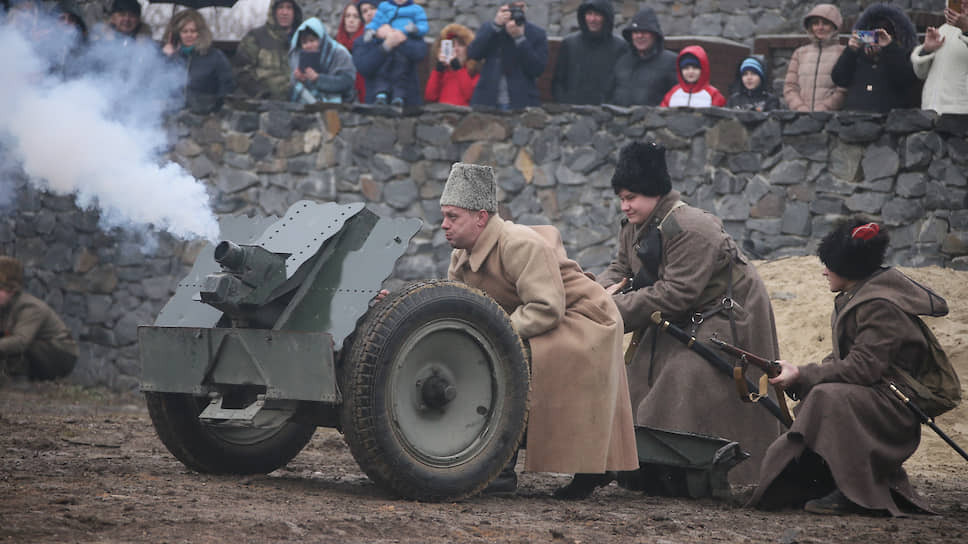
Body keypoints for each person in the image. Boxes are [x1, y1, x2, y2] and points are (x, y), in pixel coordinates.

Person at [440, 163, 639, 499]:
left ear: (481, 217)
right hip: (534, 319)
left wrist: (495, 335)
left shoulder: (519, 244)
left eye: (453, 216)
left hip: (583, 320)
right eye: (444, 216)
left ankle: (499, 469)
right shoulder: (461, 255)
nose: (444, 225)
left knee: (508, 363)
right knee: (484, 356)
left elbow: (546, 308)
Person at [597, 141, 783, 486]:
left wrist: (606, 310)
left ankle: (697, 473)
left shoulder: (691, 228)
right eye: (621, 198)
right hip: (682, 313)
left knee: (683, 378)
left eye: (631, 197)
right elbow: (621, 269)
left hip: (727, 316)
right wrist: (592, 294)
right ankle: (644, 468)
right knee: (636, 379)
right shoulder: (634, 225)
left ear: (655, 192)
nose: (625, 206)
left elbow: (676, 293)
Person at [749, 218, 952, 516]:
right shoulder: (859, 296)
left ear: (849, 268)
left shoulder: (880, 304)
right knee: (819, 393)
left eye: (829, 264)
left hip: (894, 409)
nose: (823, 270)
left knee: (826, 397)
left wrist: (804, 376)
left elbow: (863, 368)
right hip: (876, 398)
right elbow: (846, 360)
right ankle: (817, 482)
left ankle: (853, 492)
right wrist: (799, 376)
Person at [0, 256, 79, 384]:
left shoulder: (30, 306)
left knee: (16, 344)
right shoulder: (4, 308)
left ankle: (20, 381)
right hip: (42, 351)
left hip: (61, 355)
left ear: (11, 290)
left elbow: (21, 342)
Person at [831, 3, 920, 113]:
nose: (878, 38)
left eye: (885, 33)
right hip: (855, 119)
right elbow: (839, 79)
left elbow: (904, 80)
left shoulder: (904, 55)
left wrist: (889, 48)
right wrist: (850, 51)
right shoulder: (858, 55)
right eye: (873, 33)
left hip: (889, 120)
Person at [467, 2, 548, 110]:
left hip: (522, 101)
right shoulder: (490, 28)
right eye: (513, 8)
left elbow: (537, 69)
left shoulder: (537, 33)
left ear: (526, 8)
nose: (517, 11)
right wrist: (495, 26)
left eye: (521, 7)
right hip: (488, 100)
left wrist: (520, 39)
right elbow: (473, 54)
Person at [551, 0, 625, 105]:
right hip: (572, 111)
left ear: (606, 18)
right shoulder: (569, 44)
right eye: (589, 14)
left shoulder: (620, 47)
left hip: (606, 112)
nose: (592, 19)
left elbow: (622, 84)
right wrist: (567, 105)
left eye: (597, 15)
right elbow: (558, 82)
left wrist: (609, 108)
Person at [162, 9, 235, 114]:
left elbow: (227, 88)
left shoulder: (215, 57)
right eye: (184, 31)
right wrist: (166, 58)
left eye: (193, 31)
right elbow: (157, 86)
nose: (189, 35)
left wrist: (215, 112)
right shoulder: (170, 56)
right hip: (173, 116)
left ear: (200, 33)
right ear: (178, 34)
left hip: (204, 117)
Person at [604, 7, 678, 107]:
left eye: (644, 32)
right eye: (635, 32)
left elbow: (677, 99)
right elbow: (608, 97)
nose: (639, 36)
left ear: (655, 35)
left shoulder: (671, 62)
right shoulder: (622, 61)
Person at [360, 0, 427, 105]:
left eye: (373, 8)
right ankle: (381, 94)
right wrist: (383, 42)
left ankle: (399, 97)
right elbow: (364, 67)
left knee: (401, 71)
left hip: (408, 104)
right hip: (375, 105)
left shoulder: (415, 12)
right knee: (382, 70)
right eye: (364, 11)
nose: (369, 13)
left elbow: (420, 53)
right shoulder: (363, 40)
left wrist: (401, 39)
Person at [233, 0, 303, 100]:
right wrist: (261, 94)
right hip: (263, 104)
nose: (284, 12)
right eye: (280, 8)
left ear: (295, 12)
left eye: (289, 8)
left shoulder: (304, 39)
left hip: (299, 103)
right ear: (273, 11)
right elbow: (241, 71)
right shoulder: (256, 37)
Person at [782, 4, 846, 112]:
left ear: (835, 26)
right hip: (801, 118)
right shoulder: (800, 53)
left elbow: (844, 89)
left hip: (832, 119)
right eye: (816, 23)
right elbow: (790, 87)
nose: (820, 27)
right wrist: (800, 108)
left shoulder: (843, 52)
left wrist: (824, 108)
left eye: (825, 23)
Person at [910, 6, 968, 114]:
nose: (963, 2)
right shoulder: (943, 29)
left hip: (961, 114)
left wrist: (966, 30)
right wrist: (927, 50)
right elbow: (921, 74)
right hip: (931, 112)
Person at [287, 17, 355, 104]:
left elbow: (347, 82)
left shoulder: (339, 53)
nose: (308, 45)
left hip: (339, 104)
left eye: (312, 40)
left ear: (321, 40)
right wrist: (300, 80)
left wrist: (318, 79)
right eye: (304, 42)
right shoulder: (297, 56)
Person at [424, 23, 480, 106]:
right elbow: (430, 96)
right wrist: (438, 71)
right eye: (452, 45)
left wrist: (458, 68)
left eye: (461, 45)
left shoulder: (474, 73)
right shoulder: (442, 73)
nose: (456, 49)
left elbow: (471, 95)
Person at [660, 45, 726, 107]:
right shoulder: (672, 93)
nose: (690, 71)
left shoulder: (713, 95)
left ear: (703, 70)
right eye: (686, 68)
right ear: (680, 71)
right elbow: (661, 115)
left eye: (695, 68)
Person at [335, 2, 366, 102]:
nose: (351, 20)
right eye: (347, 16)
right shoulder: (337, 46)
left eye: (356, 17)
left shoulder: (366, 43)